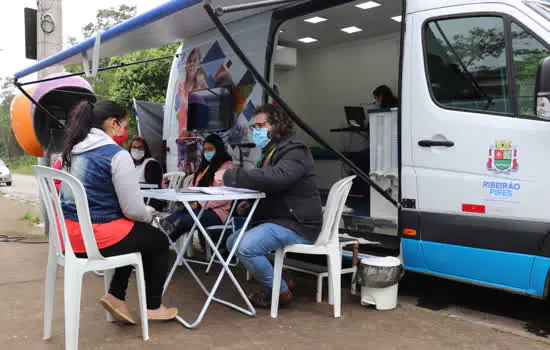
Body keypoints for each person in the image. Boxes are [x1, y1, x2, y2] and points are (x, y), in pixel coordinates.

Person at [60, 100, 177, 324]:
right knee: (158, 240)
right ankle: (153, 306)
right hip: (97, 238)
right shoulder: (116, 155)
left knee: (136, 235)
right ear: (113, 124)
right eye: (123, 125)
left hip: (68, 237)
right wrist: (149, 213)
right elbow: (132, 210)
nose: (124, 132)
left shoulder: (72, 151)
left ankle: (116, 296)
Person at [214, 104, 323, 308]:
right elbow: (270, 187)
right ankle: (284, 278)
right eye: (254, 127)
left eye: (260, 125)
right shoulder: (271, 152)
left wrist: (232, 175)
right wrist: (248, 204)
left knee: (246, 247)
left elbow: (277, 178)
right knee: (232, 242)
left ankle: (279, 292)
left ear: (277, 124)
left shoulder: (295, 150)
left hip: (298, 223)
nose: (256, 131)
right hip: (282, 219)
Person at [158, 134, 236, 250]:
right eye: (205, 150)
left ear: (218, 149)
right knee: (169, 219)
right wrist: (184, 202)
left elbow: (225, 197)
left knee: (181, 221)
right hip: (197, 208)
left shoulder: (228, 167)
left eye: (210, 149)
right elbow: (191, 188)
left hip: (217, 212)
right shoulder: (204, 167)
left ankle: (159, 248)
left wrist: (198, 203)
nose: (207, 152)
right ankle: (154, 245)